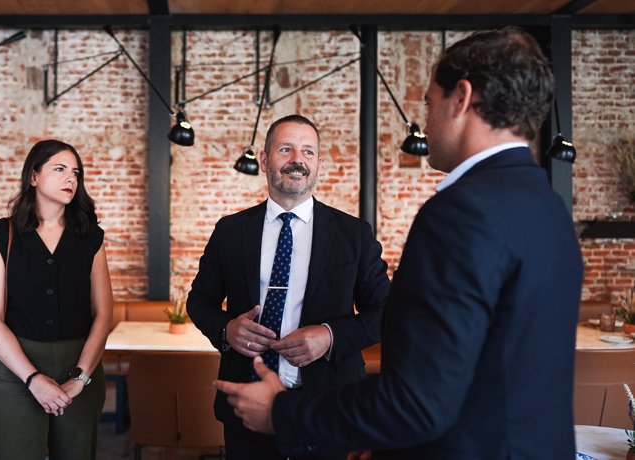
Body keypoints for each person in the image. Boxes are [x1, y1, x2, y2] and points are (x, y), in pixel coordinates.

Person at [215, 27, 584, 459]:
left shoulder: (459, 213)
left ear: (461, 99)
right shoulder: (551, 208)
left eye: (429, 102)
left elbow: (417, 400)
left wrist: (284, 412)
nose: (425, 120)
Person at [187, 114, 391, 459]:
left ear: (319, 164)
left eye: (308, 152)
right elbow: (199, 301)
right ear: (265, 160)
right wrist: (227, 329)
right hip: (247, 402)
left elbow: (387, 311)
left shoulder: (353, 234)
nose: (298, 160)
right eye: (286, 149)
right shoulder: (230, 231)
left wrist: (330, 335)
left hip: (327, 405)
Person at [0, 139, 113, 459]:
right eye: (60, 169)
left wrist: (80, 378)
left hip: (79, 369)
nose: (71, 178)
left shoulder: (91, 237)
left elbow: (104, 315)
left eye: (76, 173)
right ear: (34, 177)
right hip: (14, 371)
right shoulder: (2, 234)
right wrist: (33, 379)